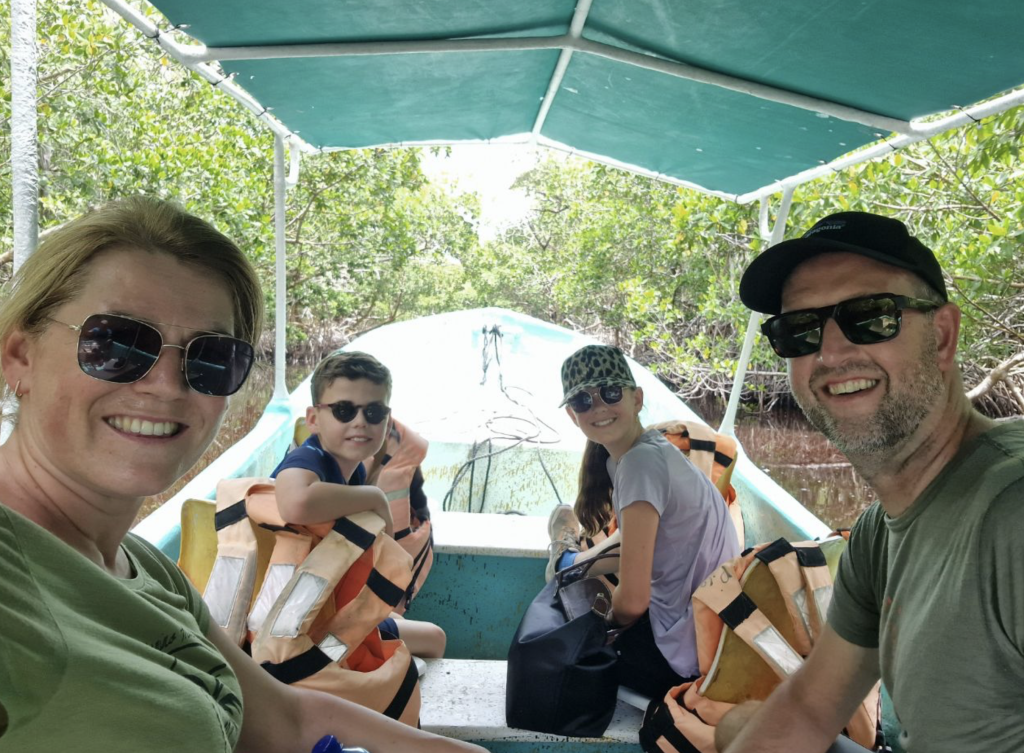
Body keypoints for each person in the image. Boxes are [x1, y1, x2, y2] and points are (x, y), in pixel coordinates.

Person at [0, 196, 482, 753]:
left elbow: (287, 718)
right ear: (20, 356)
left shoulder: (146, 568)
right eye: (117, 344)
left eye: (211, 358)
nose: (167, 385)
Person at [720, 211, 1024, 753]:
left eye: (871, 317)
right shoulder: (879, 536)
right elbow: (812, 706)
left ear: (944, 336)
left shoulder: (1011, 513)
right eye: (800, 331)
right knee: (737, 727)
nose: (831, 353)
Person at [547, 344, 740, 700]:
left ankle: (564, 558)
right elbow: (644, 550)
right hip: (715, 634)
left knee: (558, 631)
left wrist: (605, 631)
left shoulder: (638, 465)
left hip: (684, 656)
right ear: (574, 416)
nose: (598, 407)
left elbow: (634, 601)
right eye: (583, 401)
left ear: (637, 398)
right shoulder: (651, 452)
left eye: (609, 393)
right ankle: (567, 560)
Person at [271, 350, 445, 658]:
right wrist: (374, 496)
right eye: (343, 410)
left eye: (374, 412)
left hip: (320, 608)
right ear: (314, 419)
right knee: (435, 638)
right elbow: (294, 502)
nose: (360, 422)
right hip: (296, 624)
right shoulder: (306, 460)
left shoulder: (354, 471)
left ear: (387, 421)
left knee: (399, 621)